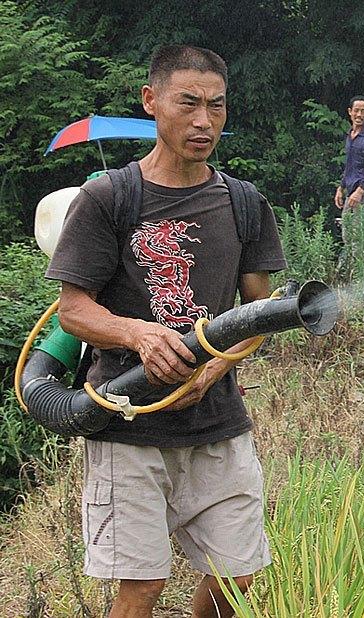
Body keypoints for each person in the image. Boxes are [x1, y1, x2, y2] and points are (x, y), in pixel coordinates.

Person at [46, 45, 286, 617]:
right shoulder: (109, 197)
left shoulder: (245, 204)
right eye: (189, 104)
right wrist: (139, 335)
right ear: (151, 102)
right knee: (142, 587)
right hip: (127, 425)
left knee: (238, 575)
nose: (204, 121)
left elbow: (260, 313)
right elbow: (73, 311)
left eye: (217, 107)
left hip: (217, 423)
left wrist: (218, 366)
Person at [333, 96, 364, 249]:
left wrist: (360, 191)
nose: (359, 115)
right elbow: (350, 165)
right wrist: (341, 188)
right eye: (356, 111)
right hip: (350, 190)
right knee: (347, 234)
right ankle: (351, 271)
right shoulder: (350, 135)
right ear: (350, 112)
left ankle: (363, 272)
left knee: (361, 237)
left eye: (363, 111)